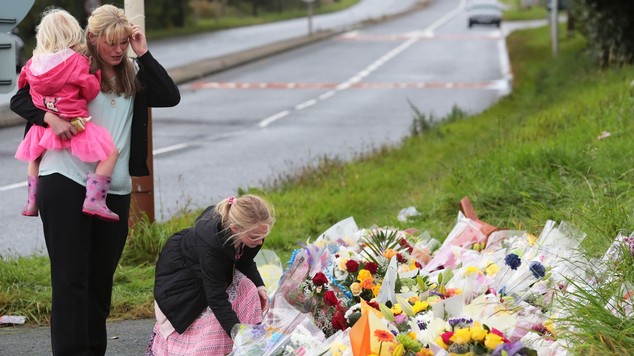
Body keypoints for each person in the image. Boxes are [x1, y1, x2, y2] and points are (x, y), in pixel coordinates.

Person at [10, 4, 180, 355]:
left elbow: (170, 95)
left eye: (123, 43)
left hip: (112, 190)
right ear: (92, 38)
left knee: (99, 283)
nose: (118, 50)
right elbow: (20, 98)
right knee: (71, 280)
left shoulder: (133, 71)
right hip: (65, 180)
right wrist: (47, 118)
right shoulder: (73, 66)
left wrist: (143, 52)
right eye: (111, 43)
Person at [15, 8, 120, 221]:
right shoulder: (77, 62)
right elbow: (90, 91)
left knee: (35, 157)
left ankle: (32, 200)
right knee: (110, 153)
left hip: (41, 131)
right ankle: (95, 200)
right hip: (75, 124)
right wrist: (95, 72)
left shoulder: (32, 64)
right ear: (73, 33)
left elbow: (21, 90)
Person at [147, 194, 275, 355]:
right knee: (210, 319)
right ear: (235, 228)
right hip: (182, 278)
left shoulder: (252, 234)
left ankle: (249, 344)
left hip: (211, 269)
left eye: (263, 236)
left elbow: (245, 261)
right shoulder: (212, 249)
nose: (260, 242)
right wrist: (238, 333)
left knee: (249, 289)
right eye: (255, 237)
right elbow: (216, 298)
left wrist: (260, 285)